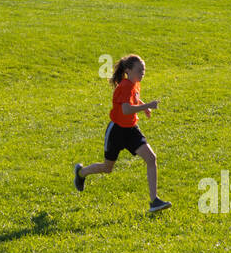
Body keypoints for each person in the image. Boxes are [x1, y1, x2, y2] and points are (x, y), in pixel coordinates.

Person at [73, 54, 171, 213]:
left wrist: (142, 106)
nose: (142, 73)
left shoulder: (135, 83)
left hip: (131, 130)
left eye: (144, 70)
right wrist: (147, 105)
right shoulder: (125, 86)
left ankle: (154, 201)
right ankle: (81, 172)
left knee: (151, 158)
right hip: (117, 131)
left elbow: (133, 99)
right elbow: (125, 110)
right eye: (139, 70)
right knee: (107, 167)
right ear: (128, 70)